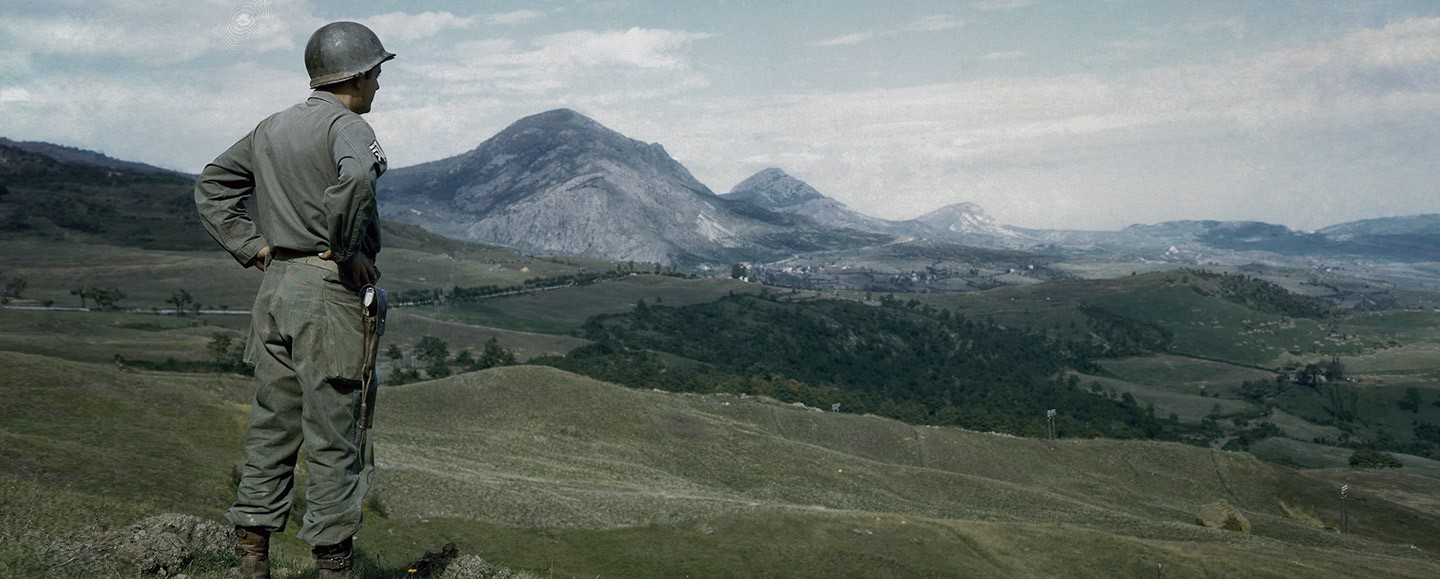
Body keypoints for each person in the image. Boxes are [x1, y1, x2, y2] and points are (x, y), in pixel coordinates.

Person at [194, 21, 394, 579]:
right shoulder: (347, 126)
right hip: (327, 294)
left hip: (276, 289)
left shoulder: (271, 127)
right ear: (355, 76)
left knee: (271, 426)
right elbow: (356, 183)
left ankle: (250, 562)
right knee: (337, 430)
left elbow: (212, 184)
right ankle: (333, 567)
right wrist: (345, 248)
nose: (380, 84)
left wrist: (255, 249)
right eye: (376, 73)